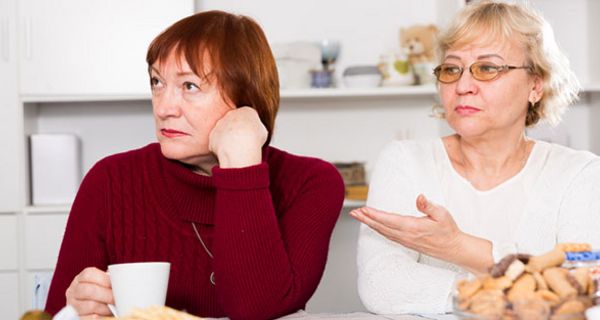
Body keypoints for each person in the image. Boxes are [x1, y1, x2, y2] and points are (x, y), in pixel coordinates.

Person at [45, 10, 345, 320]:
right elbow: (53, 313)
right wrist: (73, 310)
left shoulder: (312, 183)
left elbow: (255, 310)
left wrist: (240, 163)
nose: (163, 108)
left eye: (190, 86)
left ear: (247, 98)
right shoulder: (109, 181)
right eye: (157, 82)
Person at [351, 0, 600, 314]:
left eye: (487, 68)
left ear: (535, 85)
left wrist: (461, 248)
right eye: (452, 69)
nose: (463, 86)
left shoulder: (581, 174)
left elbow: (586, 290)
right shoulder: (404, 161)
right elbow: (381, 283)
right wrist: (515, 292)